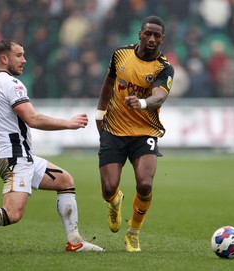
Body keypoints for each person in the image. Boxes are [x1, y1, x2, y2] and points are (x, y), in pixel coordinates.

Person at [0, 39, 104, 256]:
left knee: (65, 181)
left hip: (16, 156)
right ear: (4, 58)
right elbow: (32, 119)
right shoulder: (12, 84)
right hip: (16, 159)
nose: (24, 60)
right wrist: (69, 124)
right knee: (12, 214)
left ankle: (75, 241)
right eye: (19, 55)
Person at [95, 16, 174, 252]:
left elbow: (160, 96)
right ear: (139, 34)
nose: (151, 39)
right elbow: (108, 83)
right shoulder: (120, 55)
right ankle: (115, 200)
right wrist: (100, 113)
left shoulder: (164, 67)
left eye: (156, 36)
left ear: (162, 39)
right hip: (114, 129)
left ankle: (133, 233)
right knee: (108, 188)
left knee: (145, 184)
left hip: (144, 132)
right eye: (148, 33)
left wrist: (140, 103)